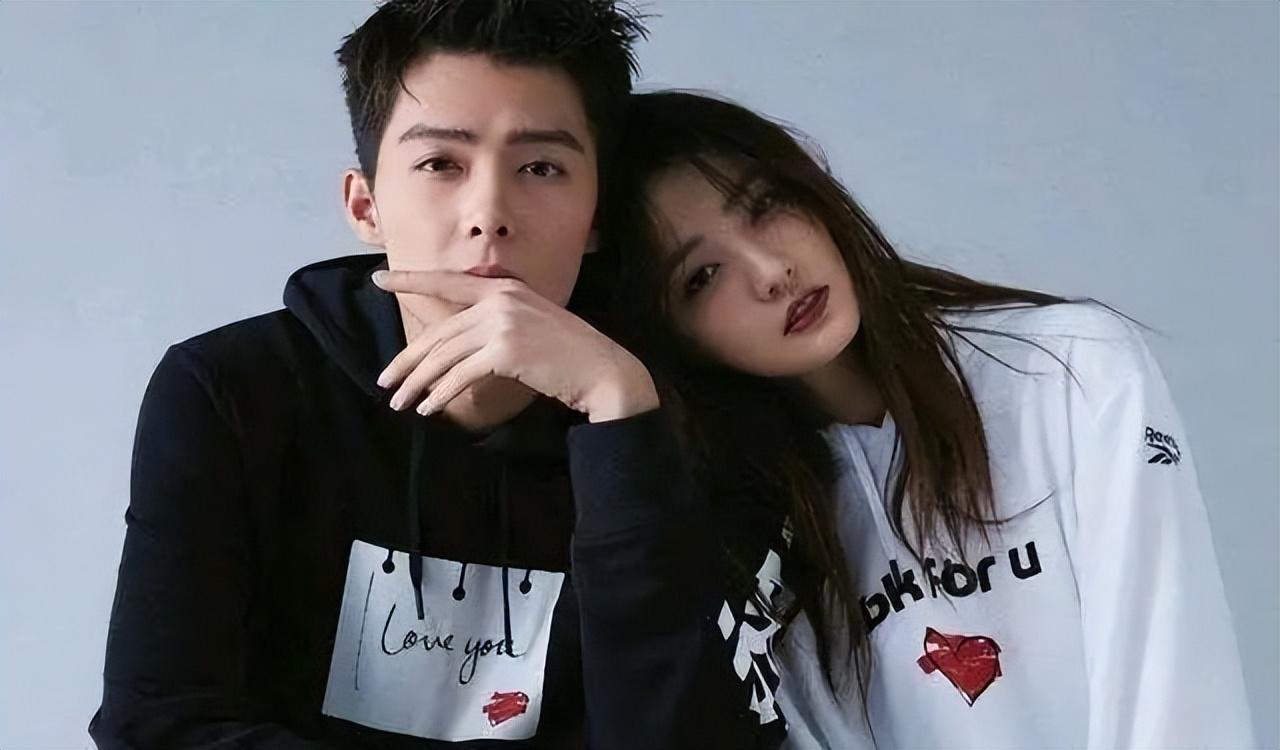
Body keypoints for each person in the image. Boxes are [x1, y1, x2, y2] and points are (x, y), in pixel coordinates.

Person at [90, 5, 786, 747]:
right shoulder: (231, 389)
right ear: (366, 205)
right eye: (440, 164)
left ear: (596, 219)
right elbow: (157, 726)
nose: (489, 214)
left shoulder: (670, 422)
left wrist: (621, 428)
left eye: (541, 168)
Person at [597, 90, 1256, 749]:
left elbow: (1170, 679)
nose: (771, 273)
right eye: (703, 275)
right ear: (673, 338)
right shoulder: (749, 542)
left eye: (765, 206)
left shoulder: (1068, 368)